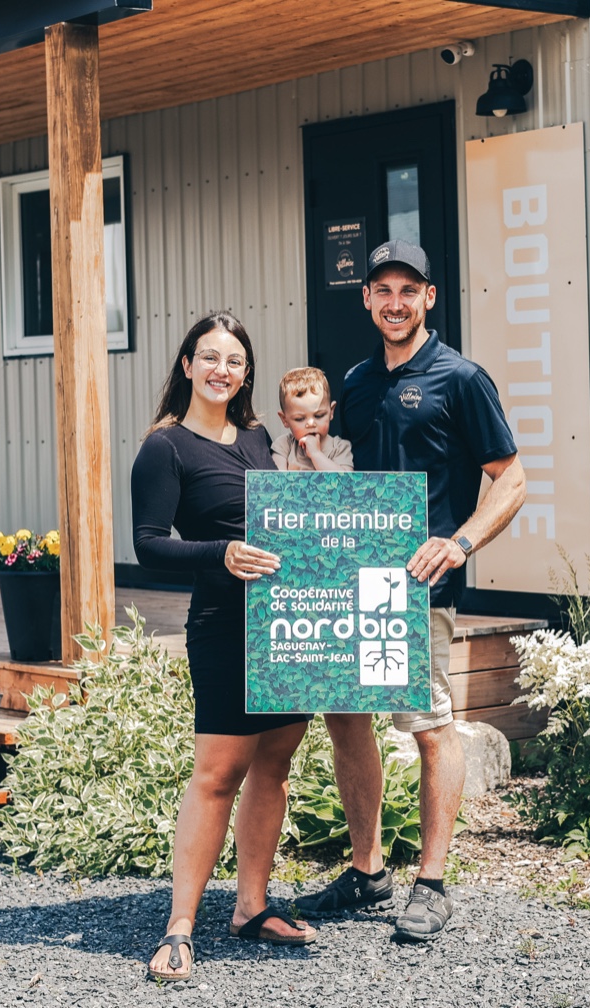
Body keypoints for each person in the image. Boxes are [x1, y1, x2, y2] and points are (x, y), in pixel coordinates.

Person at [292, 240, 526, 940]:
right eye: (381, 290)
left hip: (421, 588)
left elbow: (510, 480)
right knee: (346, 720)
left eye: (408, 290)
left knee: (428, 727)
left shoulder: (462, 378)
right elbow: (342, 468)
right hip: (355, 581)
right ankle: (368, 874)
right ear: (366, 299)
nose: (394, 301)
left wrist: (458, 542)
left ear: (429, 298)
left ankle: (431, 881)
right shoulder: (358, 381)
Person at [131, 311, 317, 981]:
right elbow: (148, 545)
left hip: (286, 624)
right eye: (208, 357)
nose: (221, 370)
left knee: (276, 764)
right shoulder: (166, 446)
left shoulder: (262, 436)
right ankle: (180, 928)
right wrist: (222, 552)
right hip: (223, 626)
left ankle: (250, 906)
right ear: (187, 365)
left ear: (246, 373)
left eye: (234, 361)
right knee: (217, 776)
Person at [272, 366, 354, 472]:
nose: (311, 423)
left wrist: (316, 454)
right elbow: (276, 482)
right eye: (300, 419)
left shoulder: (340, 448)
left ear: (331, 411)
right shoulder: (284, 445)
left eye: (319, 415)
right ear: (284, 419)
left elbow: (345, 483)